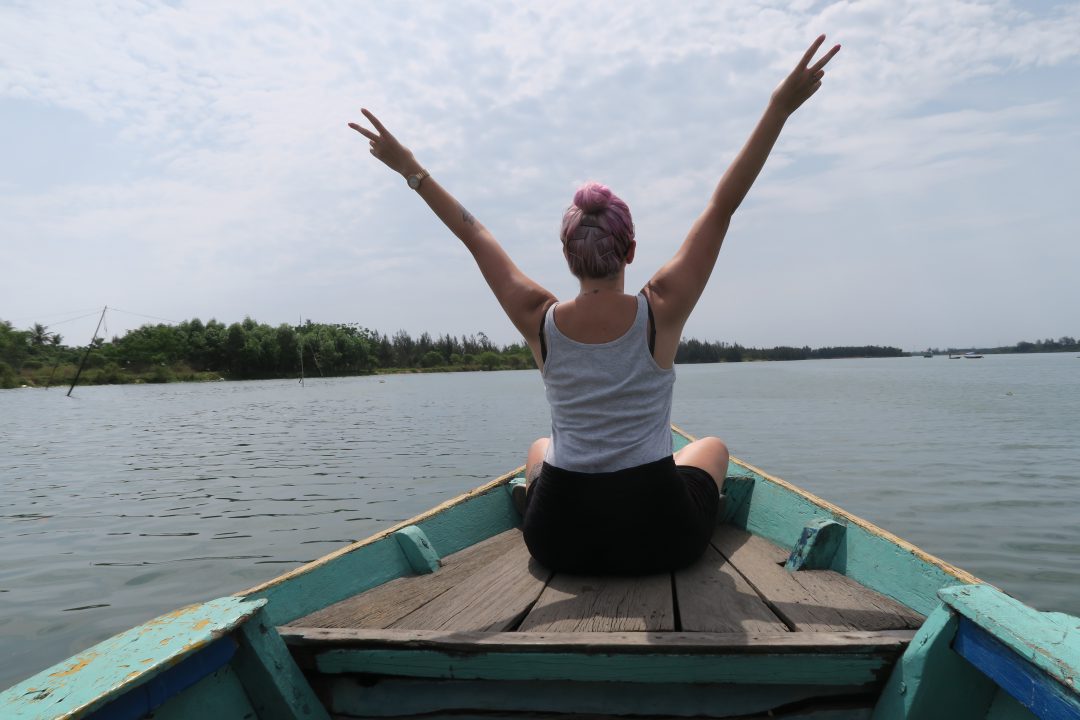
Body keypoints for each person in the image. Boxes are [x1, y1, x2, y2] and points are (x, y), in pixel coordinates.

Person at [349, 35, 840, 575]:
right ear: (630, 249)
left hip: (558, 539)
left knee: (540, 447)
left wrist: (410, 168)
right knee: (714, 448)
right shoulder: (662, 308)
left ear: (567, 256)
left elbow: (475, 236)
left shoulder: (539, 317)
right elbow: (723, 206)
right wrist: (778, 108)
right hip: (662, 537)